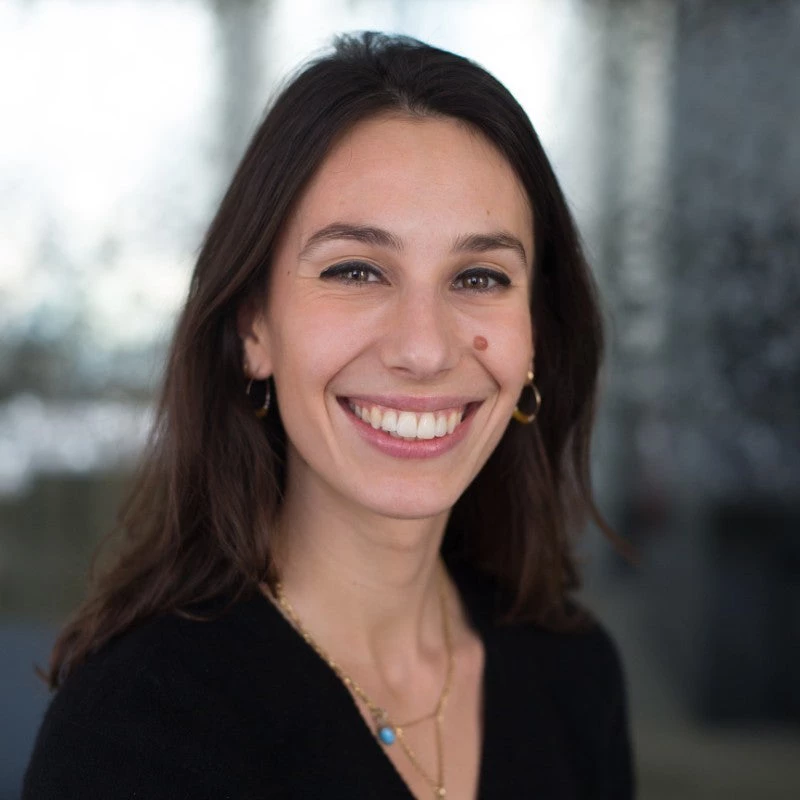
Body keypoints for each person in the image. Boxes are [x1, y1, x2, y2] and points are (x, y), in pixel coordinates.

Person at [24, 32, 633, 799]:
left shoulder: (573, 674)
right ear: (254, 329)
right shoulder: (136, 730)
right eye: (355, 270)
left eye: (479, 276)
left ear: (536, 337)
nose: (424, 348)